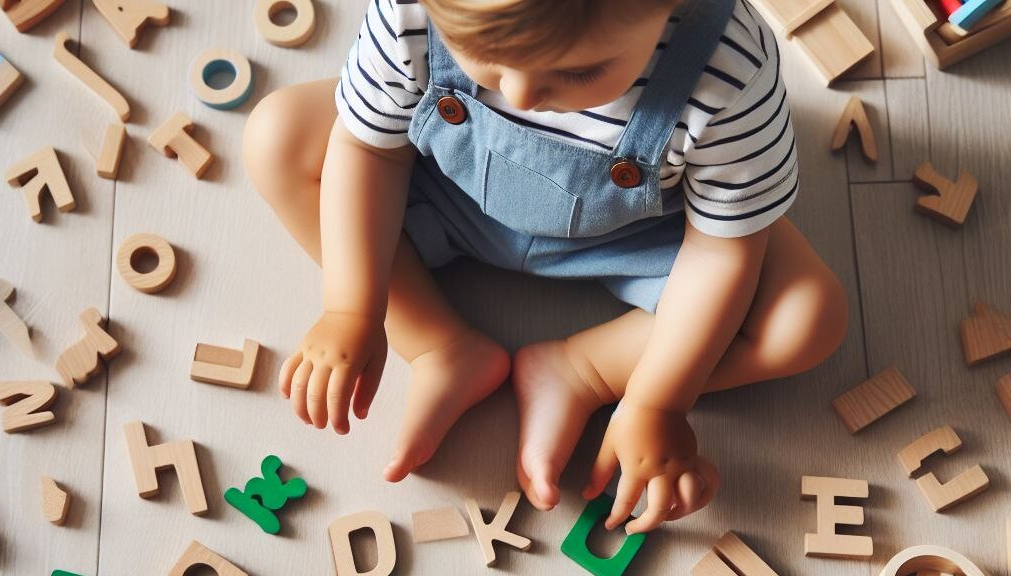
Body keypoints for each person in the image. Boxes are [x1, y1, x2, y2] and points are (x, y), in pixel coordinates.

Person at [242, 0, 848, 534]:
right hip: (445, 191)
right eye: (482, 55)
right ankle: (436, 342)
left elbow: (722, 252)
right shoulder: (414, 12)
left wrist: (658, 403)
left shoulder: (729, 67)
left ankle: (584, 371)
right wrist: (352, 308)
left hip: (635, 231)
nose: (521, 94)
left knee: (805, 320)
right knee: (278, 136)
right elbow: (368, 149)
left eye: (579, 71)